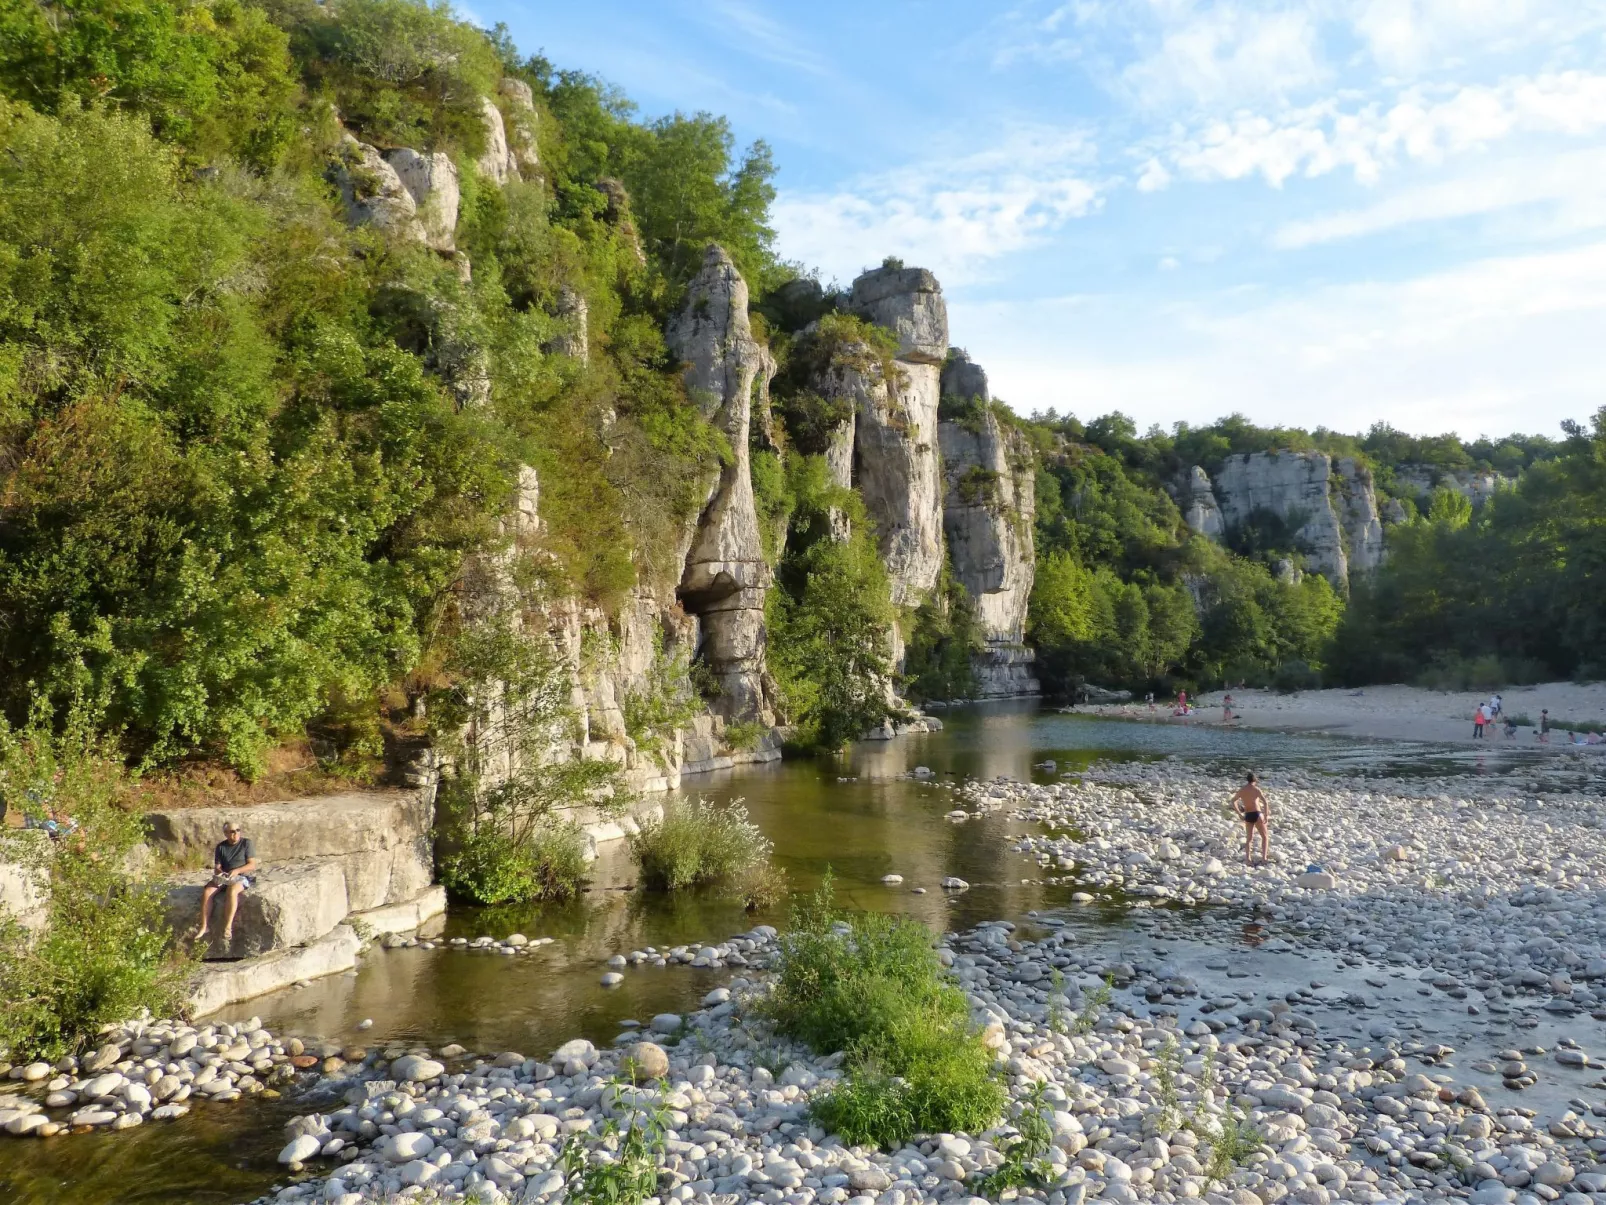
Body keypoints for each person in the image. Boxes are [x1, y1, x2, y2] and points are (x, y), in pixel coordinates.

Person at [196, 821, 257, 945]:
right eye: (232, 831)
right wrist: (220, 872)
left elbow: (252, 865)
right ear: (226, 833)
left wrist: (237, 870)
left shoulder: (246, 843)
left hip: (241, 876)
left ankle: (228, 927)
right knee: (208, 891)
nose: (236, 833)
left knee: (232, 890)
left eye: (238, 830)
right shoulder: (221, 847)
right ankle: (204, 926)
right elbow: (217, 866)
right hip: (225, 877)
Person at [1230, 771, 1270, 866]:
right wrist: (1266, 815)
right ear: (1255, 780)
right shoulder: (1256, 789)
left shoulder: (1242, 790)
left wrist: (1239, 813)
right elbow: (1265, 802)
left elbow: (1233, 801)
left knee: (1249, 839)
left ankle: (1248, 859)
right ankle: (1264, 858)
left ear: (1247, 780)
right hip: (1257, 814)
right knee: (1264, 837)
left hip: (1248, 814)